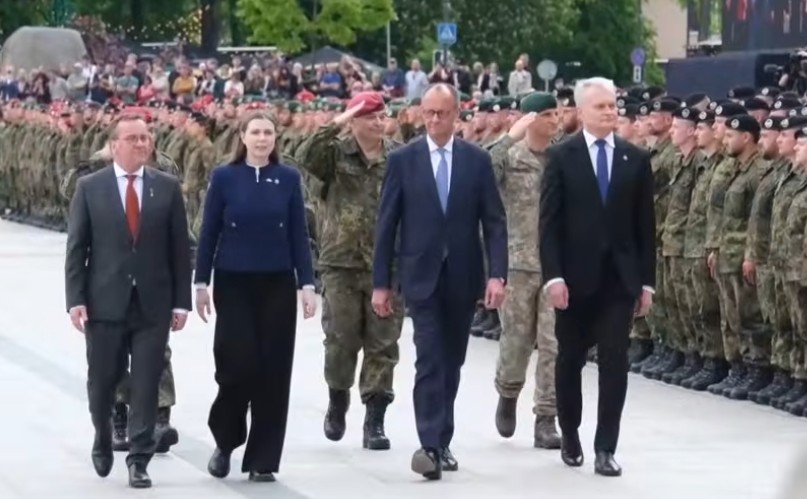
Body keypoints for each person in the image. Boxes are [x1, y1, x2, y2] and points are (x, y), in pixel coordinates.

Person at [372, 83, 508, 480]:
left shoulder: (476, 160)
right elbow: (386, 224)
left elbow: (494, 222)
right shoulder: (403, 160)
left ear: (456, 115)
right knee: (429, 358)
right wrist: (381, 283)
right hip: (421, 276)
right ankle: (429, 444)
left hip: (463, 276)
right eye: (428, 112)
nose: (434, 120)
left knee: (452, 361)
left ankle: (442, 439)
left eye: (442, 113)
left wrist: (497, 274)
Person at [64, 114, 192, 489]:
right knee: (102, 381)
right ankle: (103, 437)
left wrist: (181, 302)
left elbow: (179, 249)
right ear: (114, 145)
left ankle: (139, 458)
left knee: (147, 383)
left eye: (145, 138)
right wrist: (75, 299)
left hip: (153, 304)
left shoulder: (167, 187)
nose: (141, 144)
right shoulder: (90, 187)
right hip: (104, 302)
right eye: (133, 138)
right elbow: (77, 249)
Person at [539, 77, 655, 477]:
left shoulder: (635, 158)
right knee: (570, 359)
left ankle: (606, 446)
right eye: (600, 106)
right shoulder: (561, 156)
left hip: (618, 281)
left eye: (612, 105)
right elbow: (549, 225)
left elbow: (645, 228)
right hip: (574, 280)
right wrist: (553, 277)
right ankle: (570, 431)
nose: (609, 111)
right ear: (581, 111)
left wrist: (646, 283)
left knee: (614, 361)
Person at [194, 111, 317, 483]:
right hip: (233, 282)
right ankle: (225, 439)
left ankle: (263, 458)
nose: (262, 139)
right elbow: (209, 231)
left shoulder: (288, 178)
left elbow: (298, 234)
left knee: (273, 371)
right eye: (256, 132)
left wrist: (307, 284)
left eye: (268, 132)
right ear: (243, 137)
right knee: (236, 366)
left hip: (277, 282)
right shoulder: (225, 177)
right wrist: (201, 282)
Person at [294, 92, 405, 451]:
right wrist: (338, 121)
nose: (378, 123)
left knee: (383, 343)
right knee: (341, 339)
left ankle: (375, 420)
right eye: (370, 117)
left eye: (382, 116)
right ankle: (338, 397)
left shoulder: (399, 157)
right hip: (340, 262)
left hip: (386, 265)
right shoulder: (335, 154)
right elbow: (305, 154)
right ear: (354, 121)